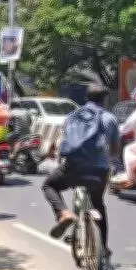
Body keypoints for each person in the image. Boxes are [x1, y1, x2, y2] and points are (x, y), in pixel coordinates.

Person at [43, 84, 120, 252]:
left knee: (49, 185)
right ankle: (104, 248)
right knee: (98, 204)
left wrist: (54, 154)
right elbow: (115, 150)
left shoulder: (71, 116)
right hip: (99, 172)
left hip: (73, 168)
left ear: (86, 98)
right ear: (104, 100)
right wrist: (111, 163)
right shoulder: (110, 118)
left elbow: (62, 141)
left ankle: (64, 213)